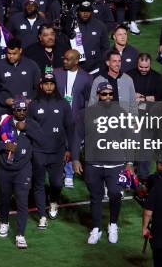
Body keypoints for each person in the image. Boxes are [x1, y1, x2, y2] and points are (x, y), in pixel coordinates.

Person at [72, 82, 133, 244]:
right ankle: (96, 228)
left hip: (116, 164)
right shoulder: (86, 114)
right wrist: (76, 158)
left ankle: (113, 224)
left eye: (110, 94)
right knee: (95, 197)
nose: (107, 97)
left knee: (115, 194)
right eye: (104, 94)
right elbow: (77, 137)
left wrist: (130, 162)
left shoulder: (121, 113)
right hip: (93, 164)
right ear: (98, 95)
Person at [0, 96, 40, 249]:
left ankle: (20, 234)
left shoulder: (32, 124)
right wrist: (4, 146)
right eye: (19, 109)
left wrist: (26, 128)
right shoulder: (3, 122)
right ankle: (4, 223)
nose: (22, 112)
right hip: (5, 168)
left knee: (22, 202)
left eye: (25, 109)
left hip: (23, 170)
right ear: (13, 110)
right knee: (4, 198)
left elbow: (41, 138)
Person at [28, 73, 73, 228]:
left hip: (57, 151)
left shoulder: (63, 104)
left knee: (56, 183)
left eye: (51, 84)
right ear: (41, 85)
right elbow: (28, 128)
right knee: (39, 184)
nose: (48, 87)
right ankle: (41, 215)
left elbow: (70, 128)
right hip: (38, 151)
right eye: (45, 83)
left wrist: (68, 149)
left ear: (55, 85)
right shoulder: (33, 104)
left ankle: (53, 201)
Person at [53, 49, 93, 188]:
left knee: (72, 143)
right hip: (57, 115)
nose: (64, 61)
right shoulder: (56, 73)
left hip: (76, 116)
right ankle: (59, 171)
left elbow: (89, 99)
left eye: (68, 59)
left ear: (76, 61)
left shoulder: (87, 78)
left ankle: (69, 173)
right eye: (64, 58)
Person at [0, 38, 41, 113]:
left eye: (14, 53)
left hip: (27, 110)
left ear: (20, 50)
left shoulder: (32, 65)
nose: (11, 56)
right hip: (5, 110)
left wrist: (31, 99)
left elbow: (38, 88)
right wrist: (4, 100)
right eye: (8, 53)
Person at [73, 1, 110, 76]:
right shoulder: (72, 25)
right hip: (76, 68)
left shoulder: (100, 26)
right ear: (78, 11)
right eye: (83, 11)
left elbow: (105, 48)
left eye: (88, 11)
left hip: (96, 69)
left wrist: (102, 65)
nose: (85, 13)